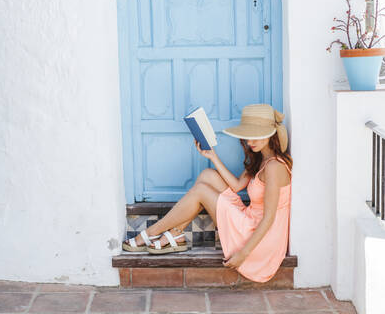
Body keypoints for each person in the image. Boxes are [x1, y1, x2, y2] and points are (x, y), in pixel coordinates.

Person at [122, 103, 292, 283]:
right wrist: (212, 156)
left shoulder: (274, 167)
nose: (250, 142)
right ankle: (176, 233)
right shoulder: (262, 159)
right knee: (207, 175)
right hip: (249, 221)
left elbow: (269, 219)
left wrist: (243, 253)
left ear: (270, 133)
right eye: (248, 136)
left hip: (259, 240)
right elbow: (236, 186)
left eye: (255, 136)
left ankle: (149, 233)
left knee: (201, 190)